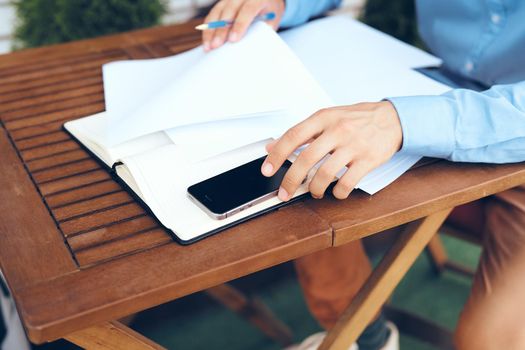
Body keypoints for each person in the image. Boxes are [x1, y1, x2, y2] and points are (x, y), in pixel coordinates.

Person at [202, 1, 525, 349]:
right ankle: (366, 337)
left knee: (488, 342)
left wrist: (402, 122)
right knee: (311, 168)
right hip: (435, 91)